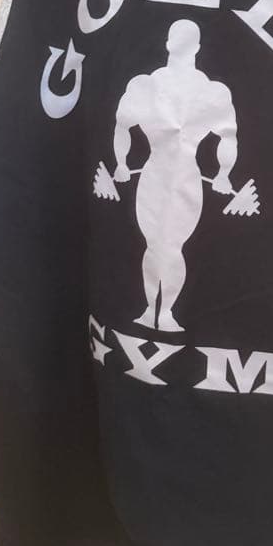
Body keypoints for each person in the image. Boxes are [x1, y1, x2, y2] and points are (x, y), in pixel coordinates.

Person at [112, 19, 237, 332]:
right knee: (156, 244)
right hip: (155, 172)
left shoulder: (210, 91)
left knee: (168, 246)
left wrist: (224, 174)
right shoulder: (147, 85)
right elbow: (122, 124)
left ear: (170, 44)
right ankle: (152, 312)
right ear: (196, 47)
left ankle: (164, 312)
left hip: (185, 175)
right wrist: (121, 164)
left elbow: (228, 136)